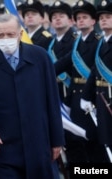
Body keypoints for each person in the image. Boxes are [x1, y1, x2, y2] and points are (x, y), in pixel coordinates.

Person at [0, 13, 65, 179]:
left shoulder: (40, 57)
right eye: (1, 35)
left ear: (20, 34)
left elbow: (52, 101)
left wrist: (57, 140)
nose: (6, 39)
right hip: (4, 147)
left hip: (39, 143)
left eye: (10, 34)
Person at [54, 0, 108, 165]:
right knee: (76, 143)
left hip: (92, 99)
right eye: (78, 18)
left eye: (85, 17)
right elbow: (62, 64)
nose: (81, 20)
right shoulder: (77, 43)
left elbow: (96, 72)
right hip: (76, 98)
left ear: (93, 21)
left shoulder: (99, 41)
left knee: (95, 144)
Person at [81, 0, 112, 163]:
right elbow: (95, 71)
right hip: (102, 100)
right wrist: (85, 96)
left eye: (108, 16)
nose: (104, 20)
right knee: (106, 144)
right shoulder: (102, 42)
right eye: (102, 17)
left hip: (110, 99)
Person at [48, 0, 77, 101]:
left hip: (71, 91)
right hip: (55, 92)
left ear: (70, 20)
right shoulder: (51, 43)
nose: (57, 19)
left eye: (61, 16)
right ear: (51, 23)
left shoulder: (76, 40)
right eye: (54, 17)